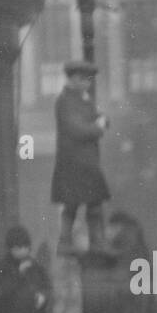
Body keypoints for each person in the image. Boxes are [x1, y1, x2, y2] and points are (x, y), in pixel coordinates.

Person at [51, 61, 110, 254]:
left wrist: (102, 121)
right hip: (74, 162)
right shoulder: (65, 102)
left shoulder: (82, 99)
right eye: (85, 80)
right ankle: (66, 243)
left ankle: (96, 243)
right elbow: (77, 130)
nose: (88, 84)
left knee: (93, 204)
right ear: (74, 79)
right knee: (72, 205)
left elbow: (98, 117)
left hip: (86, 162)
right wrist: (99, 126)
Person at [107, 210, 152, 313]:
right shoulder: (134, 233)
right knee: (133, 307)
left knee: (127, 306)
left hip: (127, 276)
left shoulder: (123, 236)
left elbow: (120, 256)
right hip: (136, 275)